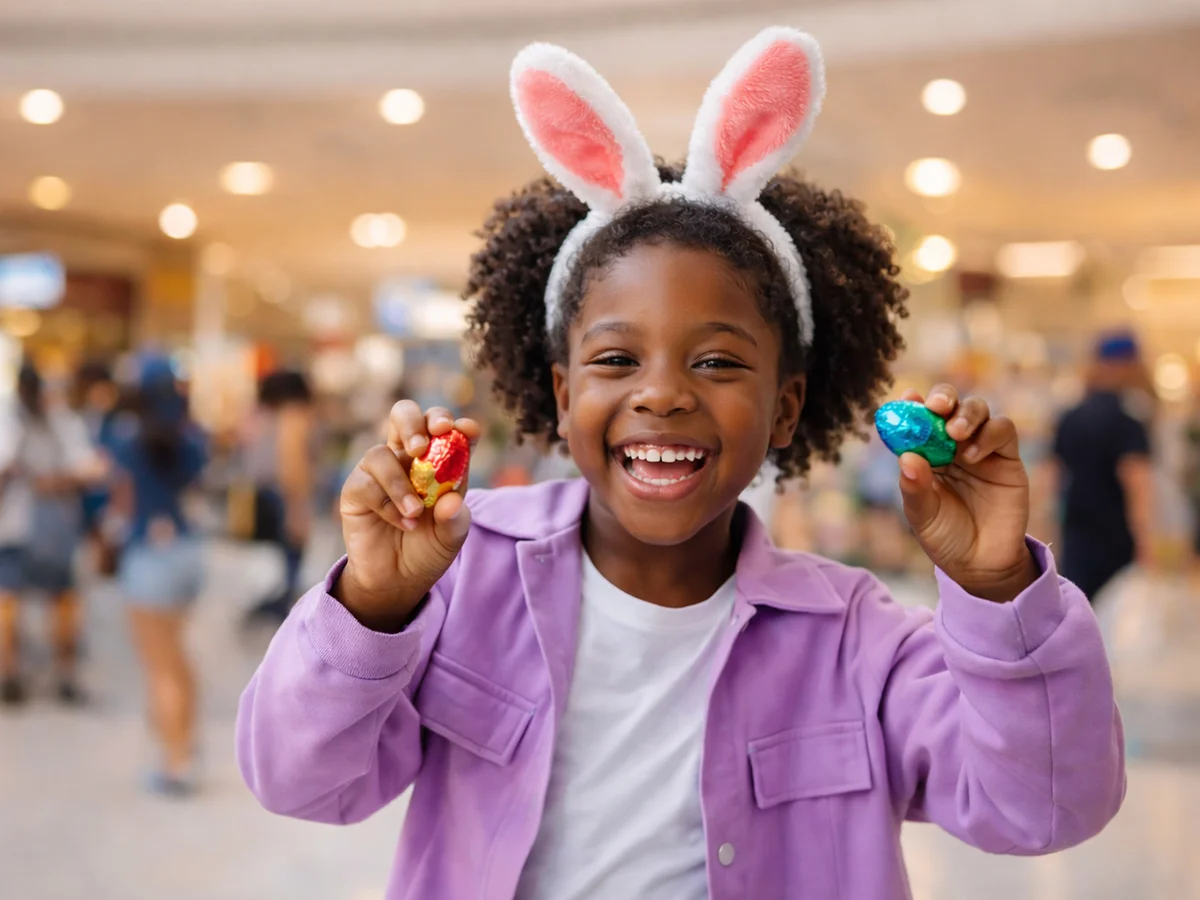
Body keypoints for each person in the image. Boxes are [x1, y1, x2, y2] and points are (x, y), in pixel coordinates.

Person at [237, 30, 1123, 899]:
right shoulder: (462, 579)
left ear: (785, 408)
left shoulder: (858, 638)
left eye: (718, 361)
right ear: (559, 390)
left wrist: (999, 584)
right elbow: (298, 780)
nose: (662, 395)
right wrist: (374, 604)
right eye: (617, 360)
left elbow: (1045, 808)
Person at [108, 358, 208, 794]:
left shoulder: (127, 436)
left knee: (159, 665)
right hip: (187, 550)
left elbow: (123, 497)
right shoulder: (192, 437)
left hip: (150, 555)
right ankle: (184, 740)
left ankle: (176, 760)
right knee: (177, 658)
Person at [0, 362, 100, 706]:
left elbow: (90, 468)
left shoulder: (60, 422)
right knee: (12, 604)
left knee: (57, 603)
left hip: (49, 527)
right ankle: (13, 674)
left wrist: (48, 481)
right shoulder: (13, 421)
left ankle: (60, 674)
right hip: (18, 527)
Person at [1052, 331, 1155, 602]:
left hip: (1076, 535)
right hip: (1115, 539)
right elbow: (1136, 483)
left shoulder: (1070, 416)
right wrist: (1146, 543)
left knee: (1077, 611)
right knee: (1115, 622)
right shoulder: (1128, 421)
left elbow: (1050, 479)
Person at [240, 369, 316, 627]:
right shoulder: (294, 417)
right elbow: (291, 466)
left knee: (285, 563)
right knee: (292, 562)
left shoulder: (265, 417)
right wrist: (297, 510)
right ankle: (283, 614)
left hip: (268, 494)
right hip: (284, 496)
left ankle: (275, 609)